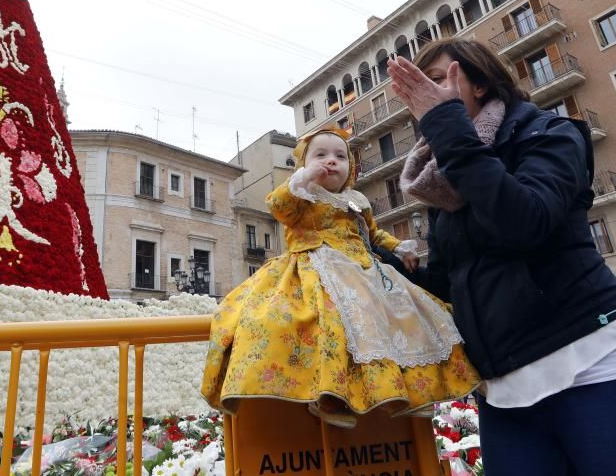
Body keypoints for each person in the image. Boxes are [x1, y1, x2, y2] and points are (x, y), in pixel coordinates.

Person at [387, 38, 616, 475]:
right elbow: (453, 284)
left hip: (594, 365)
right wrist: (377, 259)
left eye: (436, 81)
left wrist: (449, 130)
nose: (424, 97)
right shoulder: (446, 180)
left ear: (481, 85)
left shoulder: (546, 132)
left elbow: (525, 221)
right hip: (506, 392)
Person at [200, 126, 479, 428]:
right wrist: (302, 180)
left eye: (339, 156)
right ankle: (332, 394)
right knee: (328, 324)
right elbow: (278, 207)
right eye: (320, 155)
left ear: (351, 166)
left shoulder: (356, 199)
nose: (331, 161)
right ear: (303, 164)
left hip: (362, 269)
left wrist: (399, 247)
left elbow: (372, 233)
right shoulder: (302, 193)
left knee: (406, 315)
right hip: (317, 265)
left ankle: (413, 392)